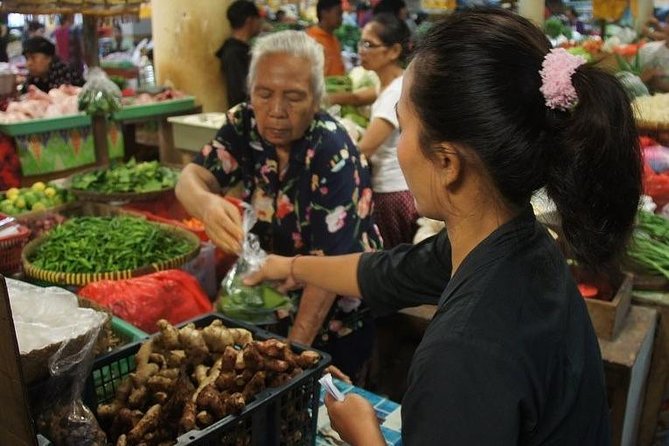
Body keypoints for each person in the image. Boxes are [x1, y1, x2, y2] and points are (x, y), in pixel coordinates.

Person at [245, 8, 641, 445]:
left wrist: (362, 433)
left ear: (448, 163)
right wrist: (288, 267)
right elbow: (385, 271)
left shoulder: (462, 352)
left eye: (404, 127)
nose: (399, 148)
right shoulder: (518, 242)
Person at [176, 30, 382, 382]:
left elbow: (328, 271)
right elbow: (189, 179)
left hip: (334, 314)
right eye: (264, 93)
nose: (276, 111)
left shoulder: (332, 149)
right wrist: (208, 204)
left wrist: (290, 357)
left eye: (294, 97)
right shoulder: (244, 124)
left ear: (317, 99)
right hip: (275, 299)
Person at [354, 13, 416, 247]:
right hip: (399, 187)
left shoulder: (394, 92)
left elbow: (366, 149)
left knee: (394, 262)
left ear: (393, 51)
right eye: (361, 43)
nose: (362, 50)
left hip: (392, 191)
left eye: (369, 44)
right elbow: (362, 96)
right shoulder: (394, 83)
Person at [216, 0, 262, 108]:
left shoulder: (238, 49)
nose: (260, 23)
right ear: (250, 21)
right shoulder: (234, 53)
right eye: (258, 19)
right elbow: (239, 94)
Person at [20, 36, 85, 94]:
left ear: (48, 58)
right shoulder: (33, 78)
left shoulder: (63, 73)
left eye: (33, 58)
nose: (28, 63)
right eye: (27, 58)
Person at [306, 0, 345, 76]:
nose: (341, 18)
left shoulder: (334, 39)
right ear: (324, 13)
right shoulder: (310, 40)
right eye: (338, 13)